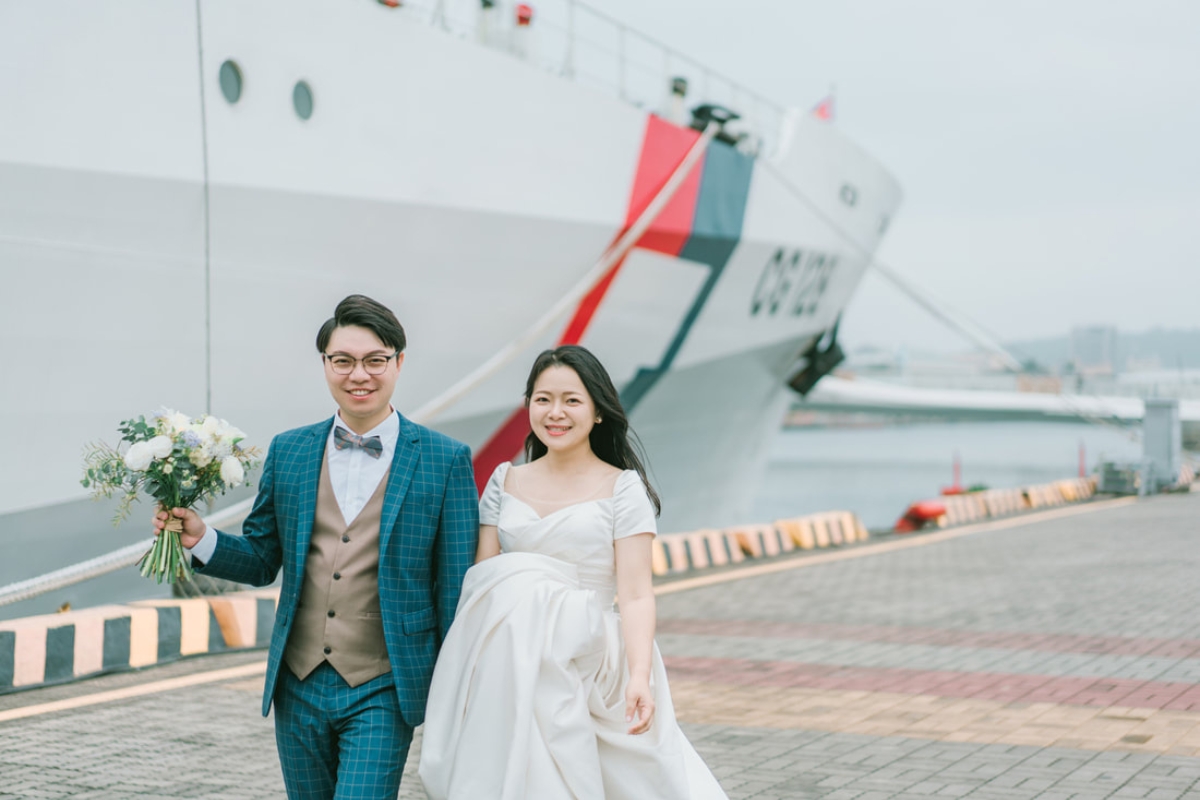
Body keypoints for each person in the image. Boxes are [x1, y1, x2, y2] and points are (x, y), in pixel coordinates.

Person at [153, 294, 479, 799]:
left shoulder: (446, 459)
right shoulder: (291, 450)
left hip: (384, 685)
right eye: (343, 361)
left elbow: (455, 587)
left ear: (399, 362)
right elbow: (263, 560)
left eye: (375, 361)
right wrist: (202, 538)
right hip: (297, 682)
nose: (359, 375)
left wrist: (455, 691)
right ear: (325, 364)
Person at [418, 345, 727, 799]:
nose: (555, 413)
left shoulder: (624, 489)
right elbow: (482, 581)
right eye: (543, 399)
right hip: (512, 659)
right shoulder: (504, 481)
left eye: (571, 400)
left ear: (598, 411)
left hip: (592, 658)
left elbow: (637, 594)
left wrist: (640, 675)